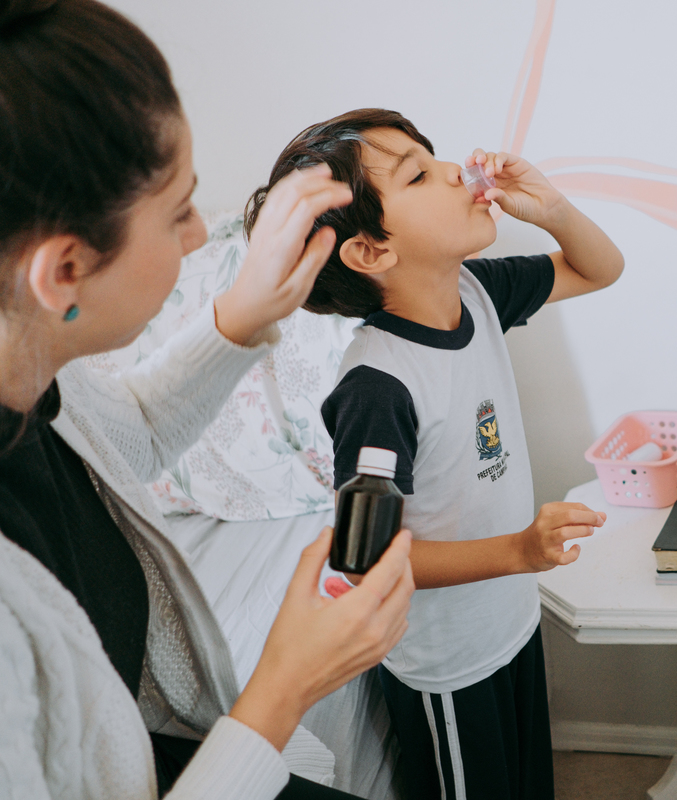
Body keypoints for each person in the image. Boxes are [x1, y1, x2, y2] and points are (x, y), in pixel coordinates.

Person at [0, 2, 415, 798]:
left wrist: (245, 314)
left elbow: (129, 436)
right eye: (178, 211)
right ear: (63, 273)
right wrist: (286, 684)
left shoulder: (35, 366)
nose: (200, 237)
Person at [245, 107, 624, 798]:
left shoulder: (477, 293)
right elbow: (367, 560)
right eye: (418, 175)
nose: (455, 171)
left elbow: (602, 269)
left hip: (510, 620)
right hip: (448, 665)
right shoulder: (377, 387)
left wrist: (554, 210)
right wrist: (520, 550)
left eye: (433, 156)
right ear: (370, 252)